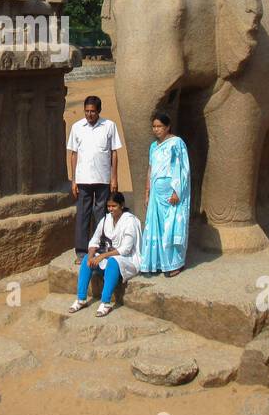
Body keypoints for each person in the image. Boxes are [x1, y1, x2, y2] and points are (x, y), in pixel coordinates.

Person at [66, 96, 122, 259]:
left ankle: (100, 248)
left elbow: (114, 153)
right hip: (83, 179)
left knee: (102, 214)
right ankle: (82, 252)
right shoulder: (77, 127)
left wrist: (114, 178)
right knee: (83, 214)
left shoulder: (109, 126)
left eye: (92, 111)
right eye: (87, 111)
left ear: (99, 111)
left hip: (103, 178)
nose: (89, 114)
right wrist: (74, 180)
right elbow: (73, 154)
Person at [70, 192, 142, 317]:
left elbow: (126, 249)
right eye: (109, 206)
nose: (110, 209)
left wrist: (102, 256)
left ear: (122, 205)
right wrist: (92, 255)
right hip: (108, 256)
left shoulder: (130, 221)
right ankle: (81, 299)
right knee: (87, 258)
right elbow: (95, 240)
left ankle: (106, 302)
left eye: (114, 206)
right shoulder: (106, 219)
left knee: (114, 261)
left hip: (127, 260)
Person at [139, 113, 191, 278]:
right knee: (157, 228)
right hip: (156, 193)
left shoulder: (176, 143)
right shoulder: (153, 146)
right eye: (154, 127)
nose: (156, 130)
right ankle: (159, 263)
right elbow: (150, 168)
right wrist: (147, 191)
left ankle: (176, 263)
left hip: (171, 194)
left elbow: (183, 168)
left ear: (167, 127)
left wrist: (177, 191)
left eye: (159, 126)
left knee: (171, 227)